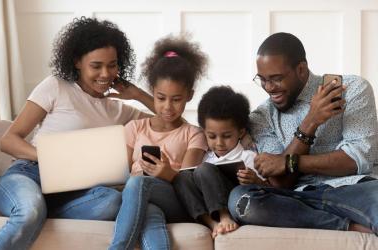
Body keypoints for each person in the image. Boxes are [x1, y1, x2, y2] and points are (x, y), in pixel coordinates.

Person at [0, 17, 155, 250]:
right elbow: (9, 141)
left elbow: (173, 122)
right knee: (30, 210)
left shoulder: (120, 110)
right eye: (96, 66)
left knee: (113, 201)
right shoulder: (56, 86)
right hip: (30, 174)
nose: (106, 74)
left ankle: (24, 209)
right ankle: (27, 208)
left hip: (74, 193)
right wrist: (51, 158)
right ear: (77, 62)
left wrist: (139, 95)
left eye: (112, 65)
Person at [228, 32, 378, 234]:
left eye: (276, 78)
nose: (269, 88)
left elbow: (358, 160)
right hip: (299, 198)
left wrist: (290, 162)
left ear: (301, 69)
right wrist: (310, 122)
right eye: (262, 79)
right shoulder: (262, 116)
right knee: (241, 199)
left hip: (355, 189)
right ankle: (348, 227)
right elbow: (281, 182)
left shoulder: (352, 89)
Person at [110, 35, 209, 250]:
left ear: (189, 96)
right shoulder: (135, 128)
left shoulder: (194, 134)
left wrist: (168, 174)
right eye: (161, 98)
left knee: (139, 183)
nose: (167, 107)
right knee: (150, 211)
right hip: (139, 197)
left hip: (176, 200)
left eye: (176, 99)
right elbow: (120, 174)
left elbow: (190, 185)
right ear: (153, 93)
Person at [173, 86, 267, 238]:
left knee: (204, 169)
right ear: (204, 132)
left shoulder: (248, 157)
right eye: (212, 136)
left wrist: (254, 180)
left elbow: (267, 192)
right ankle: (212, 224)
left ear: (241, 132)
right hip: (208, 208)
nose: (219, 143)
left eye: (226, 136)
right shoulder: (205, 156)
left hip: (234, 204)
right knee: (182, 177)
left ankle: (224, 216)